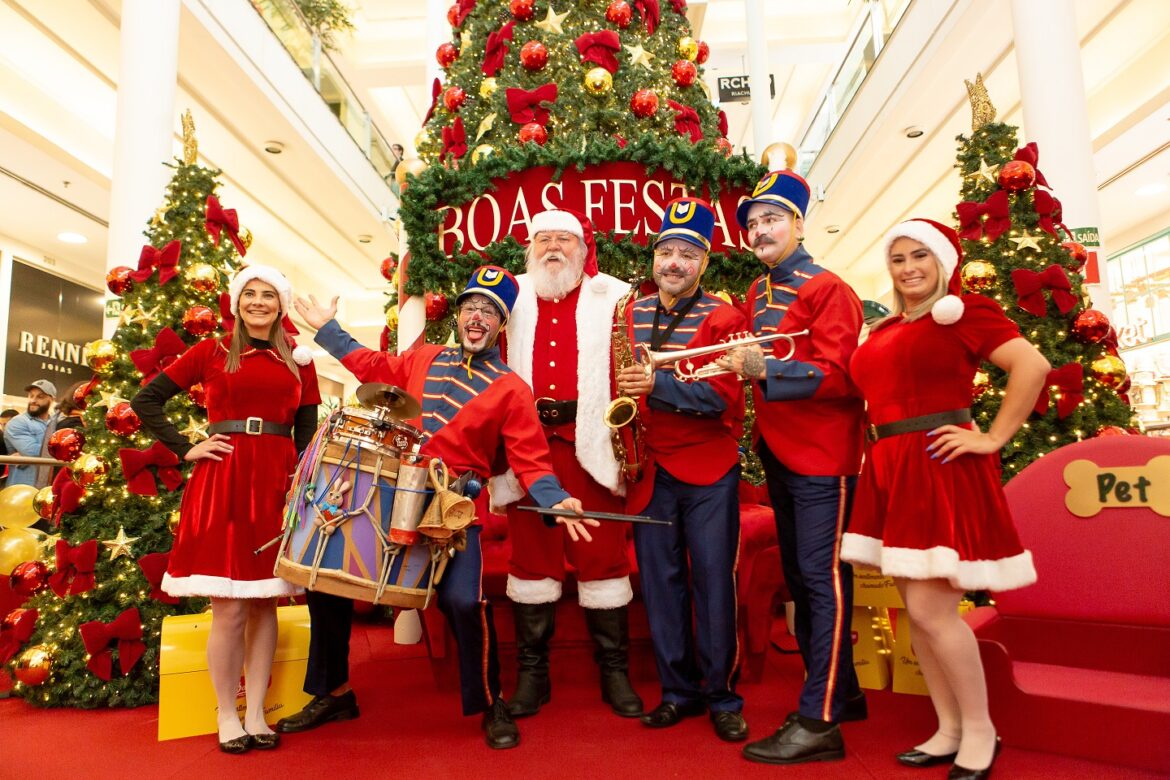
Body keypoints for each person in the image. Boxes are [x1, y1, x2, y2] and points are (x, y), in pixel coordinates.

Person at [280, 265, 595, 751]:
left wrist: (557, 498)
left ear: (501, 325)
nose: (478, 316)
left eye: (490, 311)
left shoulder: (513, 388)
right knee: (328, 577)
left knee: (463, 603)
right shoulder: (423, 357)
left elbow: (531, 461)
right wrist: (328, 329)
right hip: (390, 494)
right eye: (472, 306)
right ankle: (333, 692)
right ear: (459, 314)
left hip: (452, 508)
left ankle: (491, 703)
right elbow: (370, 366)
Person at [840, 219, 1045, 779]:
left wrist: (993, 436)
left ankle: (980, 729)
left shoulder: (964, 311)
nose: (908, 268)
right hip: (890, 469)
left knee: (933, 610)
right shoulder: (885, 329)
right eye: (899, 258)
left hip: (936, 464)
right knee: (918, 612)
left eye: (920, 256)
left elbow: (1033, 365)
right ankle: (949, 726)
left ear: (943, 261)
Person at [132, 265, 321, 755]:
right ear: (237, 302)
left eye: (269, 296)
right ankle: (226, 713)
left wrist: (299, 483)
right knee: (230, 608)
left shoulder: (299, 361)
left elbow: (307, 430)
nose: (258, 302)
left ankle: (257, 711)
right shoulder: (211, 351)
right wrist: (184, 446)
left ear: (281, 306)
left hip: (276, 486)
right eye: (250, 294)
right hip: (225, 479)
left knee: (265, 604)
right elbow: (146, 399)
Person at [717, 170, 868, 765]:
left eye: (772, 219)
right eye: (753, 223)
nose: (760, 230)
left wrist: (765, 372)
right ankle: (844, 690)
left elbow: (844, 375)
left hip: (822, 458)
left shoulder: (829, 288)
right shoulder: (757, 293)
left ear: (799, 224)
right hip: (783, 452)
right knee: (810, 579)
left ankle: (820, 719)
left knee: (818, 580)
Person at [492, 209, 643, 720]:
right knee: (532, 560)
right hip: (527, 449)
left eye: (564, 239)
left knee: (603, 558)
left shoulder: (615, 296)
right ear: (530, 248)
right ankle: (533, 676)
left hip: (594, 446)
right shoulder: (507, 296)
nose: (553, 247)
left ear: (583, 249)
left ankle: (614, 672)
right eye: (543, 239)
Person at [615, 198, 748, 742]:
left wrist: (658, 386)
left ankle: (722, 695)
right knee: (661, 586)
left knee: (714, 582)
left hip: (708, 469)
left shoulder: (724, 316)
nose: (674, 262)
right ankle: (676, 691)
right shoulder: (630, 313)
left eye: (687, 254)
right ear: (654, 257)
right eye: (666, 250)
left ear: (704, 264)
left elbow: (722, 397)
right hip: (649, 470)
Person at [4, 379, 58, 488]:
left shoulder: (55, 422)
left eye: (40, 397)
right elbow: (32, 452)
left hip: (47, 489)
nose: (33, 400)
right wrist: (59, 450)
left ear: (51, 399)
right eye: (31, 395)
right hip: (22, 490)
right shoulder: (17, 423)